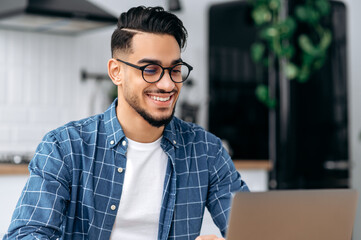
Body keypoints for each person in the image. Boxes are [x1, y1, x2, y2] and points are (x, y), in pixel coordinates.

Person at [4, 6, 249, 240]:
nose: (167, 84)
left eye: (175, 70)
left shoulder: (206, 150)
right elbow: (25, 234)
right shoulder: (64, 147)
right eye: (150, 70)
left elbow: (257, 230)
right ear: (116, 72)